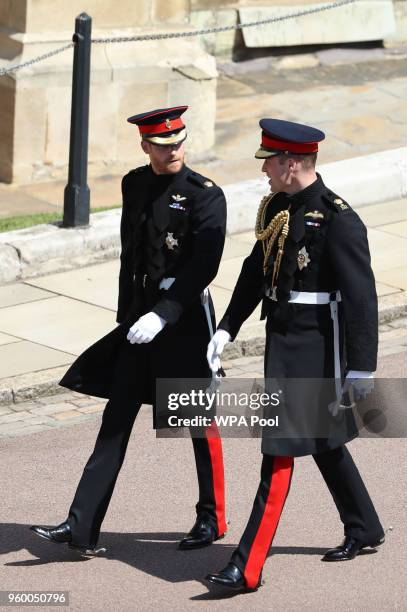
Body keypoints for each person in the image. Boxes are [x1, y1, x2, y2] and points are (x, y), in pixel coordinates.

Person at [30, 106, 227, 554]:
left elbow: (205, 264)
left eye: (178, 142)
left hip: (181, 323)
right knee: (114, 420)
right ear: (145, 147)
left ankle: (212, 519)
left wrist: (164, 313)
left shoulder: (205, 195)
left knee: (197, 423)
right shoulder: (134, 184)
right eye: (162, 145)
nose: (172, 150)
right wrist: (131, 315)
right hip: (139, 324)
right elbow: (132, 254)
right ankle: (80, 527)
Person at [205, 118, 384, 592]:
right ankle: (365, 527)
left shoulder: (338, 217)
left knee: (279, 452)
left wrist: (362, 368)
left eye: (269, 162)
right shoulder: (278, 207)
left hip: (316, 346)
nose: (264, 171)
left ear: (289, 164)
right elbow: (254, 271)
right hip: (283, 338)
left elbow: (362, 299)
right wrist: (226, 326)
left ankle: (247, 567)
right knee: (323, 441)